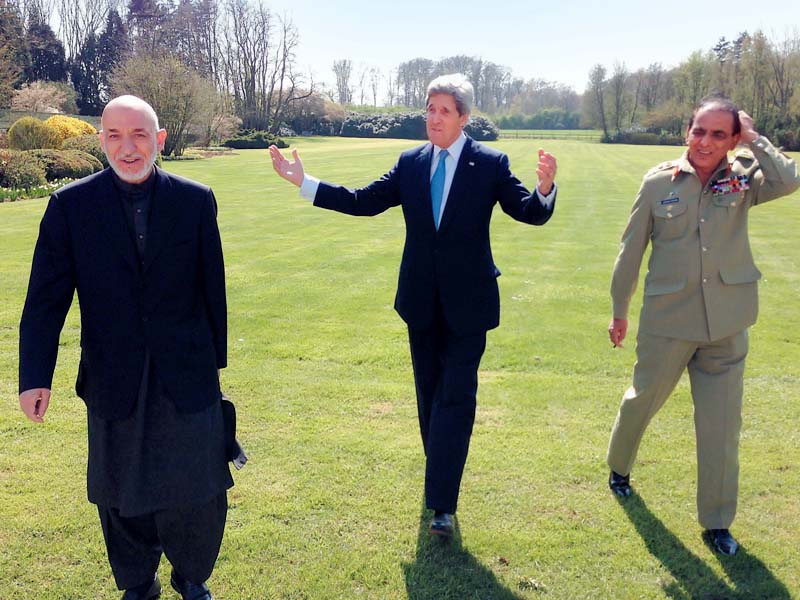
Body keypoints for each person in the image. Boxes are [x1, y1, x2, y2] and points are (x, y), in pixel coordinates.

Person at [270, 73, 557, 538]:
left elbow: (527, 210)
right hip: (421, 303)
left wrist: (544, 189)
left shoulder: (489, 163)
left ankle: (442, 503)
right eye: (429, 108)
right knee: (429, 401)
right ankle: (440, 471)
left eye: (444, 110)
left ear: (463, 117)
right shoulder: (410, 163)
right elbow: (364, 201)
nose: (434, 117)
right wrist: (305, 182)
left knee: (456, 398)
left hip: (470, 305)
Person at [18, 95, 232, 600]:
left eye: (139, 135)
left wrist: (212, 365)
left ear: (159, 139)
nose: (127, 147)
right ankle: (138, 580)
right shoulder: (69, 207)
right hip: (113, 373)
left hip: (185, 372)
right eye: (114, 135)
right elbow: (45, 300)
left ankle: (191, 573)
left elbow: (212, 290)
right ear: (101, 141)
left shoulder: (195, 200)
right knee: (119, 489)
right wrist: (34, 376)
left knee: (198, 488)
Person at [606, 94, 800, 555]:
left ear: (733, 138)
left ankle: (717, 522)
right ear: (686, 132)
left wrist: (754, 138)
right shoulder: (658, 184)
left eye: (719, 133)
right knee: (641, 401)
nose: (706, 141)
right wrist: (619, 309)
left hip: (727, 325)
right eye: (699, 130)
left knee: (721, 425)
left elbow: (789, 179)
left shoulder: (746, 178)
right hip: (668, 322)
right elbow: (630, 250)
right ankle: (619, 467)